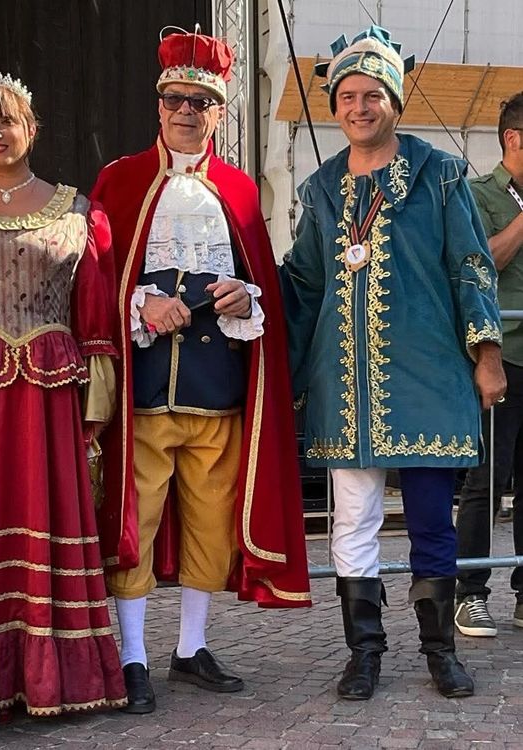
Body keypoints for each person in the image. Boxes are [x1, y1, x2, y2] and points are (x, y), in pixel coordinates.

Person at [280, 26, 506, 701]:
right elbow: (305, 284)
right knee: (352, 520)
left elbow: (471, 265)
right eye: (347, 95)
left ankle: (440, 652)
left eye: (372, 94)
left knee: (433, 519)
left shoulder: (438, 175)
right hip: (343, 385)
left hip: (429, 376)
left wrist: (487, 355)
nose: (358, 106)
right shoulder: (320, 189)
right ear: (335, 106)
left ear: (394, 102)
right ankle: (365, 654)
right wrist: (278, 372)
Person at [91, 27, 311, 714]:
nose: (187, 111)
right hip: (148, 392)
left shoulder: (243, 192)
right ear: (159, 107)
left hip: (219, 393)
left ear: (219, 112)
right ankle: (131, 657)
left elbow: (261, 291)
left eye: (201, 102)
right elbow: (98, 282)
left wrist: (245, 296)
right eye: (175, 100)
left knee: (212, 526)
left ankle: (189, 650)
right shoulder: (119, 180)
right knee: (137, 522)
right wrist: (141, 302)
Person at [0, 70, 127, 716]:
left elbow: (94, 314)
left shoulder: (76, 209)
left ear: (31, 129)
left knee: (48, 526)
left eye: (6, 120)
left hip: (47, 400)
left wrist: (96, 410)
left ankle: (50, 681)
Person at [454, 91, 523, 637]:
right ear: (514, 139)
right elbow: (482, 263)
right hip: (503, 356)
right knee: (486, 480)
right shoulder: (479, 196)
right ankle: (470, 592)